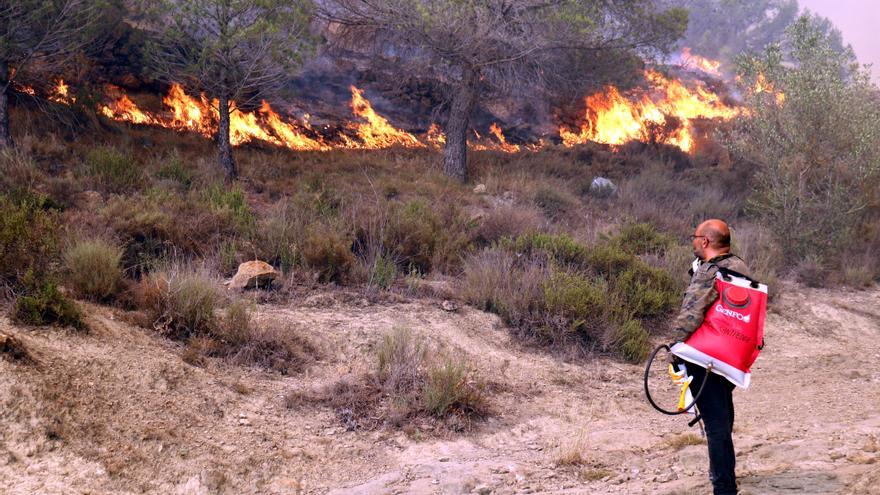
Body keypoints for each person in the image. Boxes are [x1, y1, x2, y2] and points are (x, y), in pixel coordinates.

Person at [671, 219, 750, 495]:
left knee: (715, 425)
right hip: (730, 358)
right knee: (723, 419)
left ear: (705, 241)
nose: (692, 241)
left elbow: (692, 313)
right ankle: (726, 478)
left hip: (704, 358)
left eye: (695, 237)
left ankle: (724, 487)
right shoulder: (739, 266)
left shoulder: (710, 271)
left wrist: (674, 345)